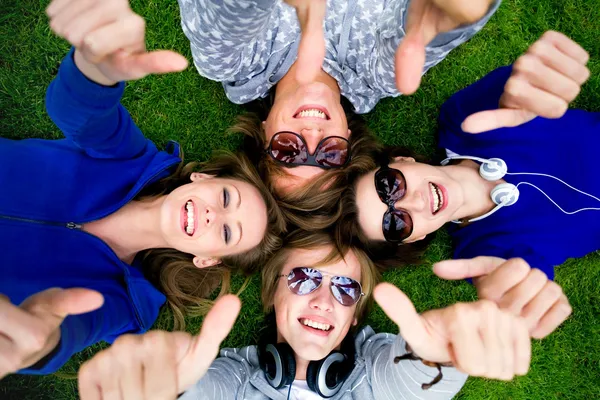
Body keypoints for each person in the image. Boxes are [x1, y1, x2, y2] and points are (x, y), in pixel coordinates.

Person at [0, 0, 286, 378]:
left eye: (227, 232)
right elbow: (80, 115)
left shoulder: (128, 303)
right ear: (201, 179)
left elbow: (74, 329)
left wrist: (42, 343)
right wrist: (96, 70)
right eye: (225, 198)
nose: (212, 215)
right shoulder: (132, 160)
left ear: (206, 259)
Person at [339, 31, 592, 339]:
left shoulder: (462, 119)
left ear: (402, 160)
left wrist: (528, 84)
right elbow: (511, 279)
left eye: (391, 185)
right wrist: (509, 294)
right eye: (396, 222)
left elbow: (512, 90)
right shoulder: (478, 254)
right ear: (411, 238)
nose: (414, 203)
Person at [75, 231, 533, 399]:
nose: (324, 301)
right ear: (275, 293)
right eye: (304, 279)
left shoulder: (373, 376)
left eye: (345, 288)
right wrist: (166, 388)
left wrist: (444, 355)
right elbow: (196, 387)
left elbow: (414, 380)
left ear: (355, 317)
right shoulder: (231, 377)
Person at [176, 0, 502, 196]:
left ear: (263, 134)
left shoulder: (232, 60)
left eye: (288, 151)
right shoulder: (382, 73)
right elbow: (442, 19)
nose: (313, 137)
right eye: (329, 155)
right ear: (347, 141)